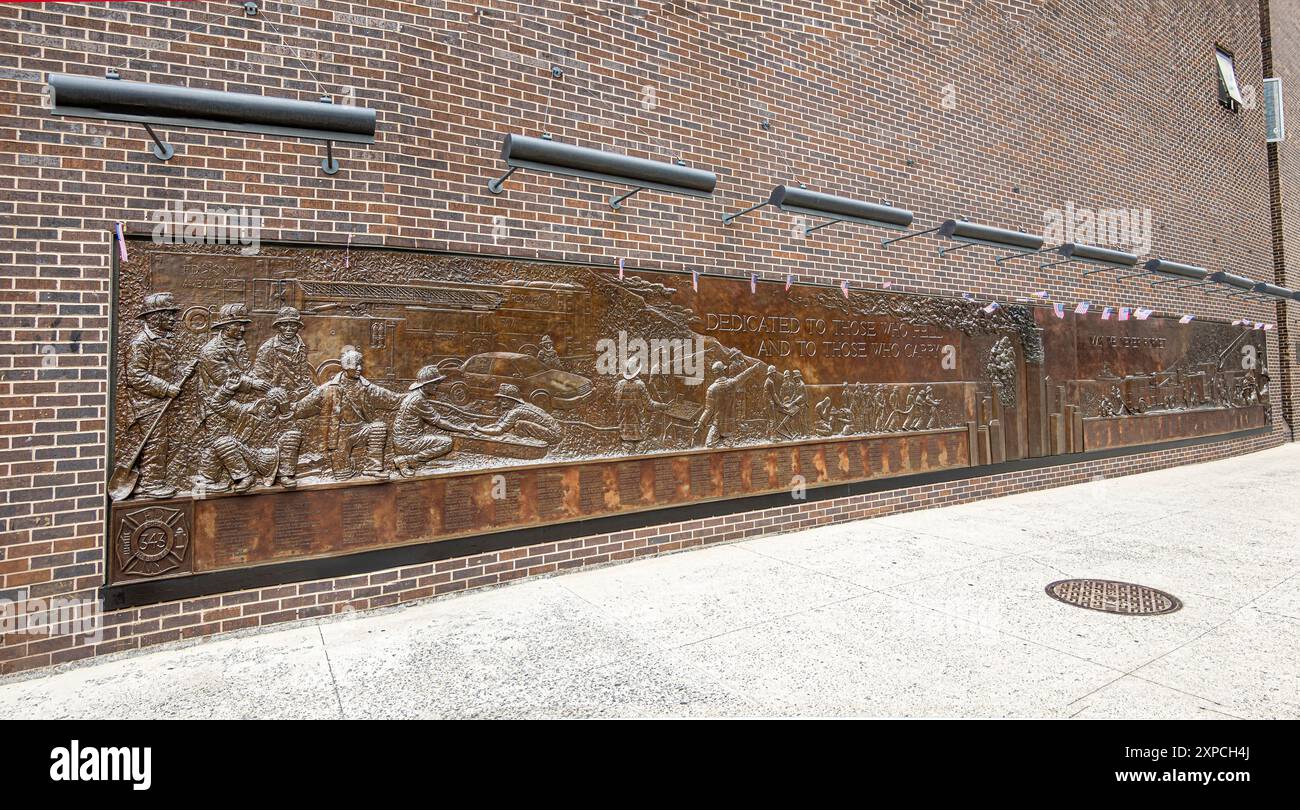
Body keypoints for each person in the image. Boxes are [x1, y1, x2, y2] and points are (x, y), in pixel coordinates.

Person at [195, 303, 298, 492]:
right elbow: (224, 378)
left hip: (241, 401)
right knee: (217, 440)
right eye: (238, 325)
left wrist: (261, 385)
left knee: (239, 437)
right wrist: (253, 384)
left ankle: (244, 472)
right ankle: (208, 479)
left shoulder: (239, 343)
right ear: (226, 327)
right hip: (217, 400)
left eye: (244, 324)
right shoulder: (210, 351)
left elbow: (247, 370)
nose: (243, 329)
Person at [289, 346, 402, 478]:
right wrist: (285, 406)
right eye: (356, 365)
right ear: (346, 367)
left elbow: (392, 399)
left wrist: (416, 393)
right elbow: (301, 407)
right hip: (339, 435)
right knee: (342, 476)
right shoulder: (328, 389)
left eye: (361, 365)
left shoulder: (366, 387)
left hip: (361, 430)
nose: (360, 368)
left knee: (379, 428)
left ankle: (372, 468)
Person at [123, 292, 186, 498]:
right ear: (155, 317)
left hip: (160, 402)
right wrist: (167, 388)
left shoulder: (165, 339)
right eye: (168, 315)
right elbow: (136, 376)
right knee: (155, 442)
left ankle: (153, 480)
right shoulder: (141, 342)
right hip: (147, 403)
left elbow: (163, 368)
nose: (172, 318)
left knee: (162, 441)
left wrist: (180, 375)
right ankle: (150, 483)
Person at [392, 365, 474, 476]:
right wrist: (462, 429)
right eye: (434, 383)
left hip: (402, 440)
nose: (437, 386)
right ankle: (407, 460)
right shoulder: (418, 400)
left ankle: (427, 460)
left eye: (437, 383)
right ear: (424, 386)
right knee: (447, 442)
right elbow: (439, 422)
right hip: (408, 443)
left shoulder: (414, 396)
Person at [254, 306, 315, 399]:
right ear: (278, 326)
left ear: (298, 326)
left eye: (293, 325)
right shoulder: (267, 348)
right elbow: (261, 379)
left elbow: (304, 376)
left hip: (298, 394)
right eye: (285, 325)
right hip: (275, 396)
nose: (289, 329)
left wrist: (314, 391)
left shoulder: (301, 346)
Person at [477, 383, 563, 446]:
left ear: (512, 400)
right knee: (515, 426)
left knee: (519, 424)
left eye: (504, 399)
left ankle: (527, 443)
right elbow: (497, 425)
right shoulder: (515, 408)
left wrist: (477, 429)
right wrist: (482, 428)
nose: (500, 401)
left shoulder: (516, 412)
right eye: (501, 399)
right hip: (552, 431)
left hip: (554, 435)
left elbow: (498, 431)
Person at [614, 358, 667, 444]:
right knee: (637, 444)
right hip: (636, 424)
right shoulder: (640, 385)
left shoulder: (620, 384)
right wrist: (662, 406)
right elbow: (649, 405)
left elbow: (617, 403)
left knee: (626, 444)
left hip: (623, 423)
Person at [695, 361, 735, 446]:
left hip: (717, 425)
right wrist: (753, 368)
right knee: (729, 448)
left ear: (715, 374)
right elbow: (744, 375)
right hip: (730, 426)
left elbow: (709, 410)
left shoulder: (712, 389)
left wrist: (700, 425)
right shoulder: (732, 384)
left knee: (709, 445)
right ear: (723, 371)